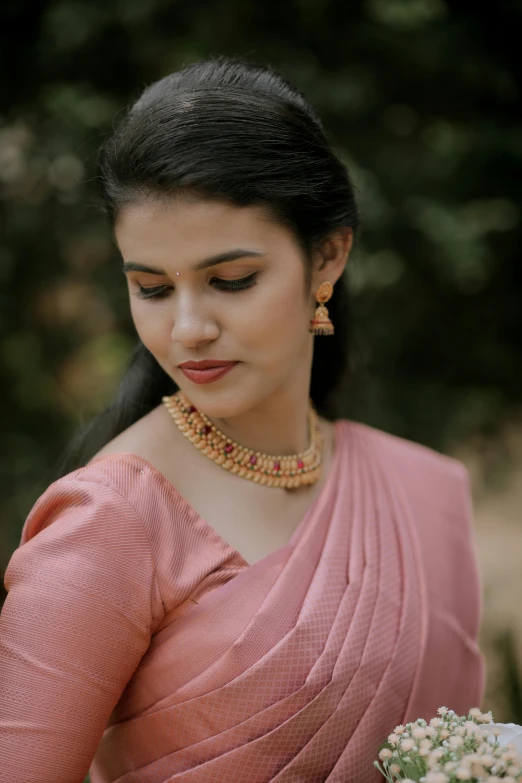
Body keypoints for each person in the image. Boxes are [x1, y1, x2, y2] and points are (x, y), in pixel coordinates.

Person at [0, 58, 485, 783]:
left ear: (328, 256)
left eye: (231, 280)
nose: (189, 327)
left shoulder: (420, 490)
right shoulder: (109, 522)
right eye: (153, 288)